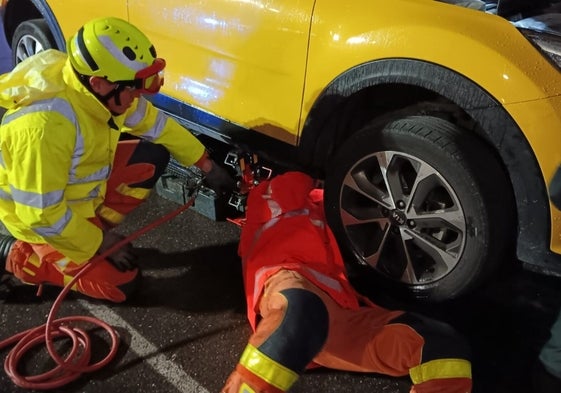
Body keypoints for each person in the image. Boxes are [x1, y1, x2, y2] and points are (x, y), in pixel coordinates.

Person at [0, 17, 234, 303]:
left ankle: (91, 230)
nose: (137, 96)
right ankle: (15, 255)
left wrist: (206, 165)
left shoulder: (99, 92)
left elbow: (158, 126)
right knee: (121, 285)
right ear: (98, 83)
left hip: (71, 199)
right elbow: (40, 214)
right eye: (133, 88)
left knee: (151, 156)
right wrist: (100, 242)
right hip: (38, 224)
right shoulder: (44, 128)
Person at [222, 171, 472, 393]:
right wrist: (331, 173)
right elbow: (295, 181)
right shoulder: (266, 195)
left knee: (442, 346)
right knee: (303, 312)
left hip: (336, 314)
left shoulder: (334, 211)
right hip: (288, 278)